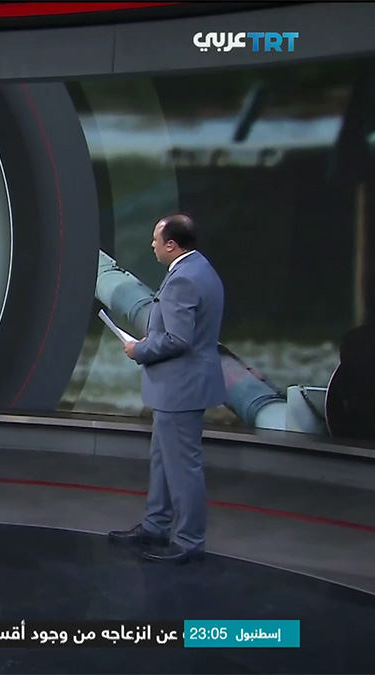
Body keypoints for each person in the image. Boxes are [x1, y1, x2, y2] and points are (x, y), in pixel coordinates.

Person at [110, 213, 226, 564]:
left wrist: (139, 350)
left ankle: (189, 541)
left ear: (172, 245)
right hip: (179, 388)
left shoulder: (184, 280)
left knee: (182, 469)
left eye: (156, 240)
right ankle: (155, 526)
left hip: (181, 388)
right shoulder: (200, 269)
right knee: (163, 463)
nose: (152, 245)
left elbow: (178, 339)